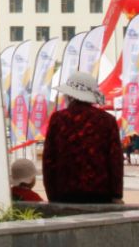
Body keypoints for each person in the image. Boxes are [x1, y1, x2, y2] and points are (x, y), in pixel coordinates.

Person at [42, 72, 123, 203]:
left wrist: (51, 194)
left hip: (64, 192)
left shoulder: (58, 119)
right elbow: (115, 160)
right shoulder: (108, 120)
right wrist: (117, 194)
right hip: (101, 193)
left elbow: (49, 160)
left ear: (70, 95)